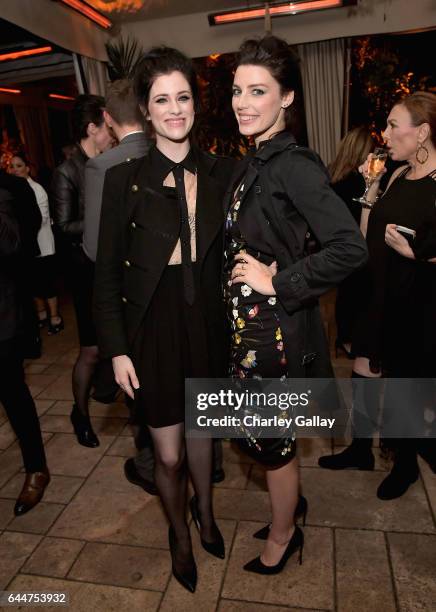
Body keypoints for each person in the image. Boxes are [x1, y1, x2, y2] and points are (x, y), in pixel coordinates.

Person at [94, 47, 236, 593]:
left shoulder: (223, 172)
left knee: (204, 436)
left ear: (195, 106)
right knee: (170, 454)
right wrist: (117, 349)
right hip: (152, 330)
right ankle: (178, 531)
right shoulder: (123, 180)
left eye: (182, 97)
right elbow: (105, 277)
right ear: (147, 113)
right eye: (162, 100)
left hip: (206, 325)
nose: (174, 109)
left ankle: (205, 514)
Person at [225, 35, 368, 575]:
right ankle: (291, 507)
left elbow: (349, 247)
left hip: (274, 335)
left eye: (257, 91)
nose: (242, 101)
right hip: (249, 331)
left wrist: (279, 280)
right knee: (263, 438)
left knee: (273, 444)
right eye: (237, 90)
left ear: (286, 98)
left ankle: (284, 535)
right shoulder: (256, 159)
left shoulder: (293, 165)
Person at [319, 91, 436, 498]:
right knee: (365, 367)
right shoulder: (397, 174)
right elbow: (368, 235)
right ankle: (360, 449)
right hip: (379, 290)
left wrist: (420, 253)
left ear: (421, 133)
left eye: (392, 125)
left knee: (405, 384)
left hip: (417, 301)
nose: (384, 134)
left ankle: (404, 466)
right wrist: (370, 190)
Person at [51, 94, 113, 448]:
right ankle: (80, 413)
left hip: (109, 268)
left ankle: (106, 390)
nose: (111, 132)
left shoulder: (107, 163)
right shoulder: (67, 171)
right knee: (90, 350)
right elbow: (64, 225)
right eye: (107, 126)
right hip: (85, 272)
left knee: (113, 342)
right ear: (92, 128)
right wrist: (104, 221)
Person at [0, 174, 50, 516]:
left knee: (13, 393)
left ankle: (36, 468)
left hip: (3, 315)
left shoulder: (12, 189)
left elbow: (17, 246)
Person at [328, 127, 375, 357]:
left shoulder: (332, 175)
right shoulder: (359, 182)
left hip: (335, 245)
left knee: (346, 293)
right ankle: (348, 339)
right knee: (357, 293)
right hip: (355, 243)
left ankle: (343, 338)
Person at [9, 153, 63, 335]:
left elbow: (42, 218)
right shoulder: (15, 191)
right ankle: (41, 315)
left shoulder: (37, 189)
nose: (15, 170)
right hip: (29, 245)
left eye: (18, 166)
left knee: (47, 282)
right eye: (12, 166)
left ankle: (55, 317)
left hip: (43, 242)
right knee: (34, 283)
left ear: (27, 168)